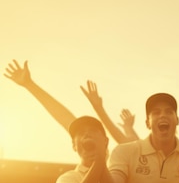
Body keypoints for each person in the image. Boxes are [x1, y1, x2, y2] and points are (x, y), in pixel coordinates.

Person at [4, 59, 138, 144]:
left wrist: (127, 128)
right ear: (74, 145)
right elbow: (65, 118)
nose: (86, 135)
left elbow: (131, 144)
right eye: (82, 134)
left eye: (93, 133)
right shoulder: (70, 179)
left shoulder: (118, 167)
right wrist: (29, 85)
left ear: (105, 142)